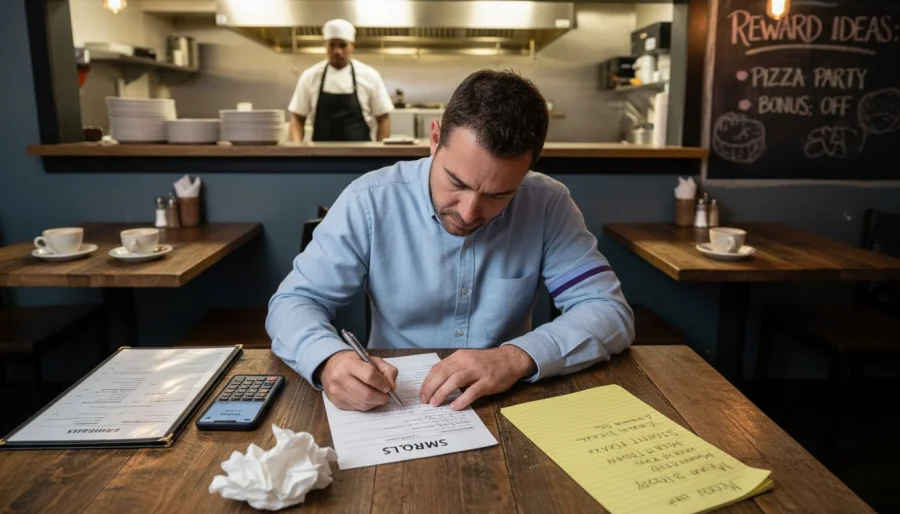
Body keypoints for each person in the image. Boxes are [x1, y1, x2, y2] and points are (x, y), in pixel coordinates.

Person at [269, 70, 634, 412]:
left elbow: (608, 311)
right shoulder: (370, 200)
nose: (470, 212)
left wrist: (514, 357)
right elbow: (295, 301)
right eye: (457, 183)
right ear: (434, 139)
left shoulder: (548, 203)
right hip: (396, 402)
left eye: (498, 196)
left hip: (508, 398)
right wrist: (328, 359)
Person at [287, 18, 393, 143]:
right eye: (332, 45)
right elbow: (297, 118)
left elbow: (383, 119)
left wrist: (379, 153)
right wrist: (297, 149)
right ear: (325, 45)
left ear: (352, 46)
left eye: (343, 45)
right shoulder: (310, 76)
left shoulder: (370, 75)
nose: (337, 51)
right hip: (319, 157)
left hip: (362, 157)